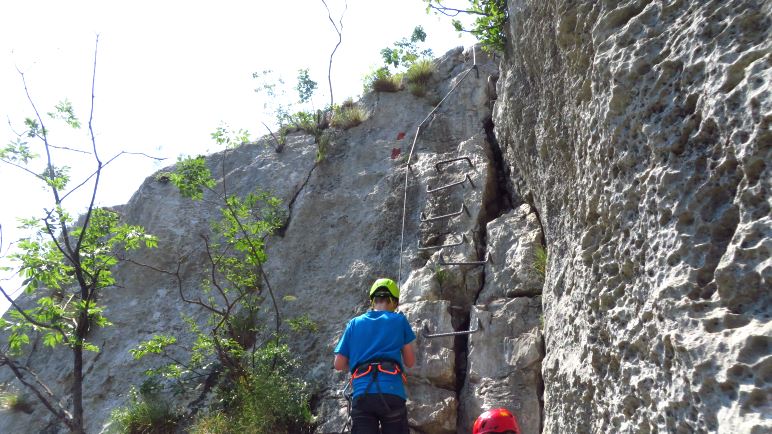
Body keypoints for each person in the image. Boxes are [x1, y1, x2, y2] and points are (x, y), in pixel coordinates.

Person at [334, 278, 417, 434]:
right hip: (391, 391)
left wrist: (356, 362)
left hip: (362, 392)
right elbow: (410, 361)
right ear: (393, 301)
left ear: (373, 300)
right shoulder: (399, 320)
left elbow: (338, 364)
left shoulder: (354, 323)